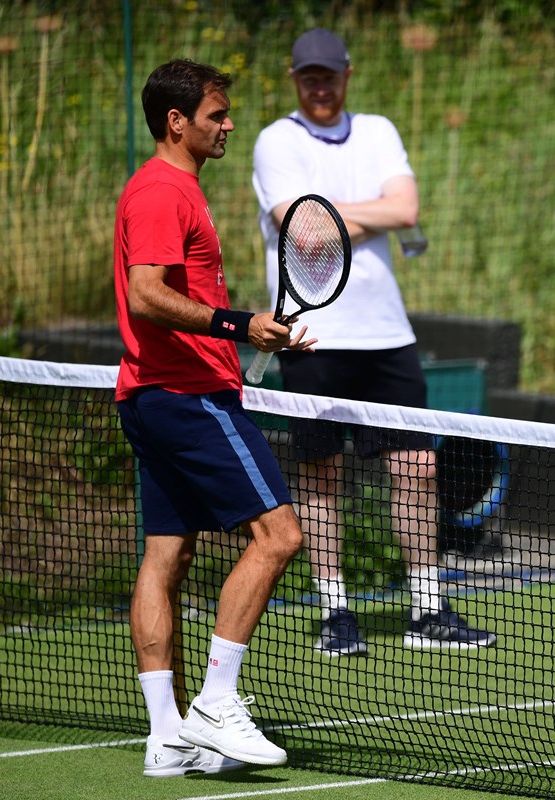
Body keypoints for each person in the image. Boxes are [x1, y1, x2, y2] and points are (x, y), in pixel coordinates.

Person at [251, 29, 495, 656]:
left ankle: (427, 608)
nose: (320, 86)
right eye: (308, 76)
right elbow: (302, 234)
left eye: (329, 75)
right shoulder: (276, 141)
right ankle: (335, 611)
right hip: (310, 338)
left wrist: (335, 214)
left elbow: (407, 209)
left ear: (347, 74)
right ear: (293, 78)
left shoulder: (379, 130)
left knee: (419, 466)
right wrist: (366, 213)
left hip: (389, 337)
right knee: (321, 473)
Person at [115, 59, 314, 777]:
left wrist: (258, 334)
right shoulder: (163, 191)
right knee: (280, 535)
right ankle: (215, 703)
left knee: (167, 554)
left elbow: (173, 300)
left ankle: (167, 736)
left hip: (153, 395)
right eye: (216, 115)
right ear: (178, 122)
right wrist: (236, 325)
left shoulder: (170, 190)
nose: (228, 125)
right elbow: (146, 295)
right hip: (187, 394)